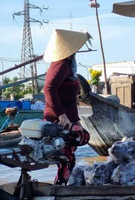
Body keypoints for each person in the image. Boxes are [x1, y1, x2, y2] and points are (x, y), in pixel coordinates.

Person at [43, 29, 92, 185]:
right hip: (58, 120)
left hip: (68, 119)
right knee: (71, 151)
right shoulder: (61, 64)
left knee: (68, 157)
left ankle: (61, 188)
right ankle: (60, 189)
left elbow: (70, 99)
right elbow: (48, 89)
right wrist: (61, 116)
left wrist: (76, 120)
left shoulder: (69, 63)